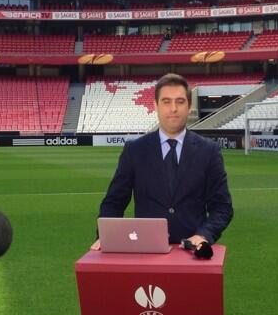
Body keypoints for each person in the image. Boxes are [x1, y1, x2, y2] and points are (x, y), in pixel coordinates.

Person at [92, 73, 233, 249]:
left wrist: (204, 234)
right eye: (166, 101)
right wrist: (106, 235)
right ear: (155, 106)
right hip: (146, 250)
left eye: (180, 102)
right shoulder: (134, 150)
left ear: (189, 106)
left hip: (190, 253)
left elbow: (222, 207)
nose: (173, 108)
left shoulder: (209, 151)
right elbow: (114, 202)